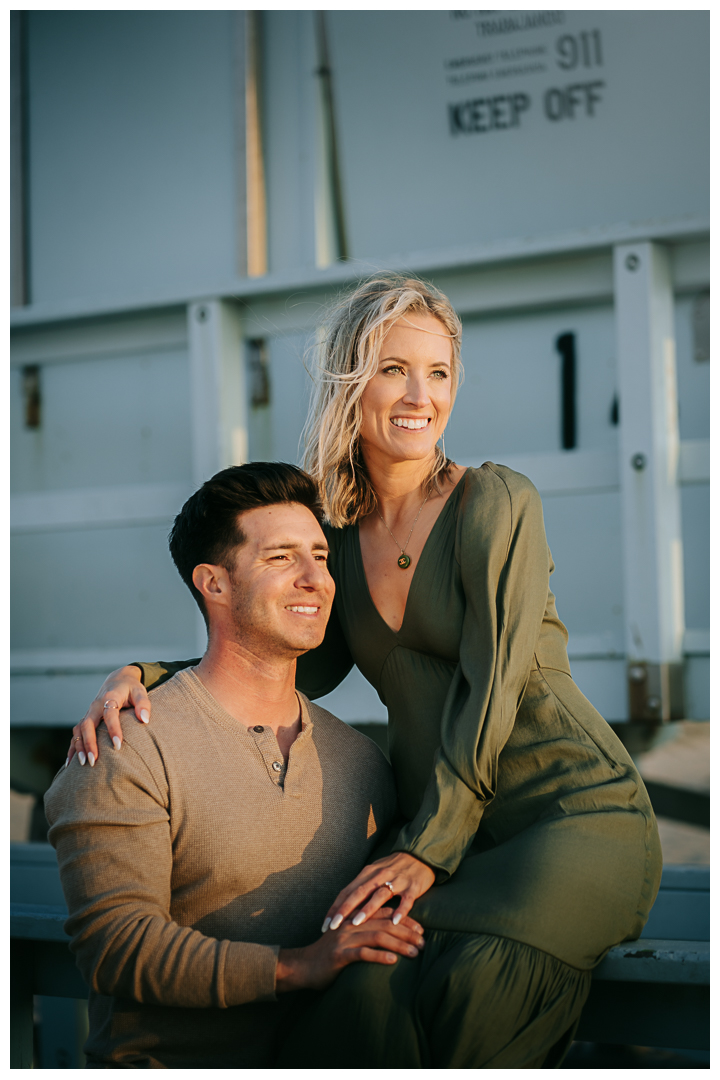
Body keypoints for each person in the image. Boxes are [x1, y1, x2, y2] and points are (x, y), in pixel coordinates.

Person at [69, 274, 662, 1068]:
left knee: (474, 992)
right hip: (449, 837)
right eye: (394, 369)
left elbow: (494, 689)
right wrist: (144, 674)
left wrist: (424, 850)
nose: (422, 395)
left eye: (440, 372)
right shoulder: (337, 534)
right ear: (352, 379)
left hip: (569, 814)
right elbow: (287, 663)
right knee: (361, 992)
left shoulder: (496, 502)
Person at [45, 463, 424, 1069]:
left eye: (321, 557)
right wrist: (296, 967)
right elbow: (115, 947)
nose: (315, 580)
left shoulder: (362, 762)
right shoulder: (127, 744)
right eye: (280, 558)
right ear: (213, 584)